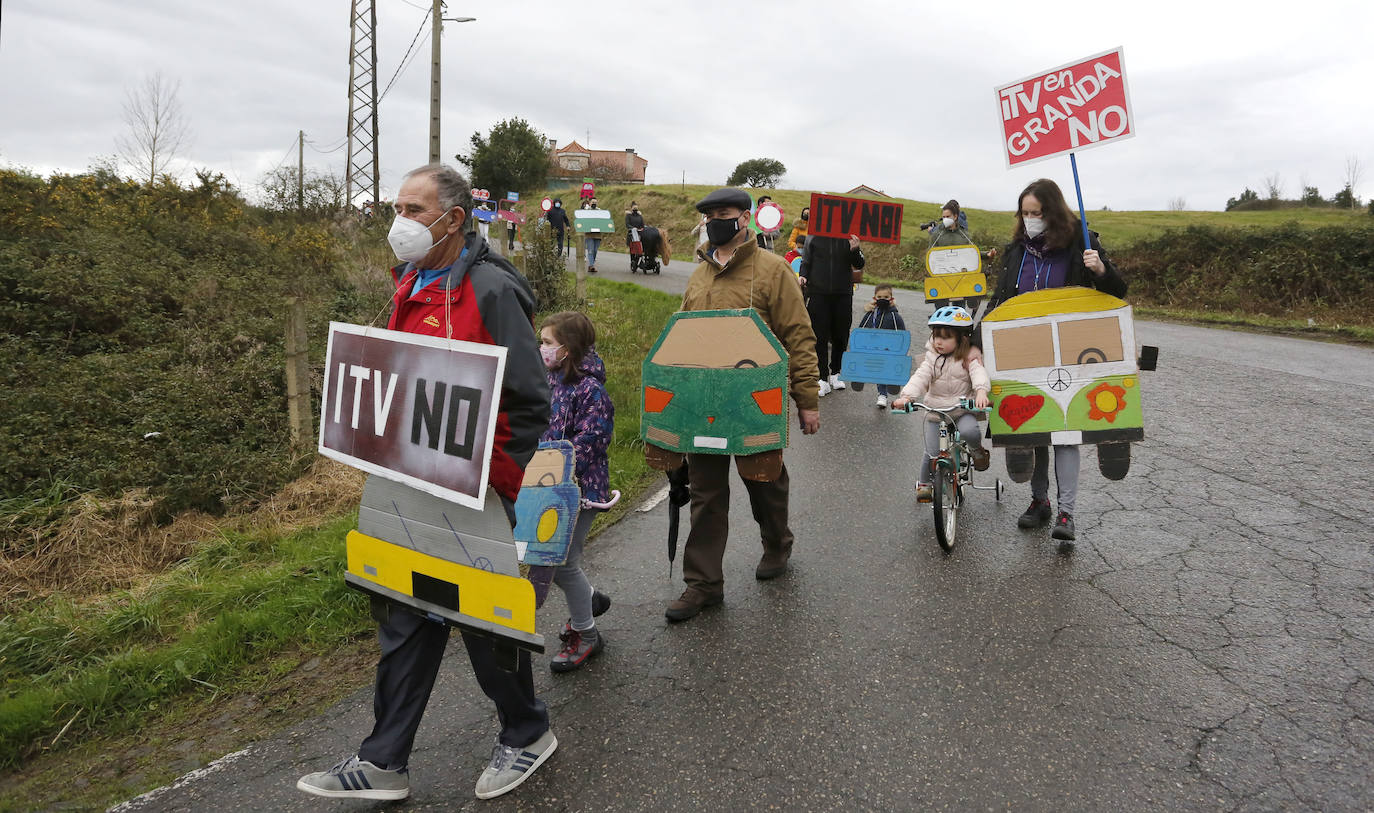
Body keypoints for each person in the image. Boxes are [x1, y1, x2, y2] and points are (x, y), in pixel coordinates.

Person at [296, 164, 557, 803]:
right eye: (398, 208)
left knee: (483, 618)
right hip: (410, 484)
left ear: (453, 219)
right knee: (407, 611)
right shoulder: (411, 282)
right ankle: (383, 762)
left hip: (476, 490)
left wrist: (491, 481)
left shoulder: (490, 291)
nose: (401, 223)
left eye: (414, 210)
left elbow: (528, 400)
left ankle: (526, 733)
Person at [666, 187, 820, 622]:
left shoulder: (773, 271)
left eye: (725, 212)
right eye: (710, 213)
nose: (716, 219)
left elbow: (799, 337)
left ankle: (777, 542)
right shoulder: (698, 276)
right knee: (705, 493)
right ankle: (702, 584)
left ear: (745, 218)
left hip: (755, 402)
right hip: (703, 403)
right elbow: (682, 339)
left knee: (765, 483)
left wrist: (807, 400)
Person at [978, 177, 1127, 548]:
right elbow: (1000, 301)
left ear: (1053, 213)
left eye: (1037, 213)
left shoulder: (1082, 244)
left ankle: (1067, 513)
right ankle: (1040, 500)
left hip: (1070, 351)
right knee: (1034, 428)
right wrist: (976, 342)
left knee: (1065, 431)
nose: (1030, 220)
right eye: (1025, 213)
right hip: (1022, 350)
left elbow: (1118, 293)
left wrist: (1101, 271)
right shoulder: (1016, 251)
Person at [538, 311, 615, 672]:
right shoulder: (551, 381)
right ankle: (589, 599)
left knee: (563, 561)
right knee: (547, 559)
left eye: (547, 343)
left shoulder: (591, 391)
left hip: (580, 489)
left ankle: (586, 634)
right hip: (548, 486)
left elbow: (592, 441)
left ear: (567, 350)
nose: (542, 349)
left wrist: (557, 468)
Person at [891, 306, 991, 501]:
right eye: (936, 336)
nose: (938, 341)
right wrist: (907, 397)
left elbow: (979, 373)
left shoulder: (968, 358)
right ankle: (925, 484)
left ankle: (977, 451)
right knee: (931, 452)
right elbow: (920, 377)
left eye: (945, 337)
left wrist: (980, 391)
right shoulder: (931, 358)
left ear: (962, 338)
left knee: (970, 431)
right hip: (936, 411)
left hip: (961, 409)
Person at [798, 232, 865, 396]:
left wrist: (855, 249)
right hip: (818, 293)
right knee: (818, 336)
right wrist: (803, 276)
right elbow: (806, 261)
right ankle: (822, 378)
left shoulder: (848, 236)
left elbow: (860, 264)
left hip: (843, 294)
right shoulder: (813, 236)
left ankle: (836, 372)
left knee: (841, 335)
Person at [855, 283, 907, 408]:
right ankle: (858, 378)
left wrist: (901, 350)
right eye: (879, 297)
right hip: (871, 348)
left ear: (891, 299)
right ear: (874, 298)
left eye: (886, 296)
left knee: (882, 371)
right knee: (869, 365)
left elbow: (902, 333)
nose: (882, 299)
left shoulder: (895, 316)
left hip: (887, 350)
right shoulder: (870, 314)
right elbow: (861, 329)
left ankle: (882, 394)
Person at [579, 197, 602, 273]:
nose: (594, 203)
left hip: (598, 234)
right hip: (589, 234)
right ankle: (591, 266)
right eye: (593, 202)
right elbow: (582, 220)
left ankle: (591, 265)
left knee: (595, 250)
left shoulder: (600, 211)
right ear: (590, 203)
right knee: (590, 250)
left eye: (595, 202)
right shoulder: (586, 211)